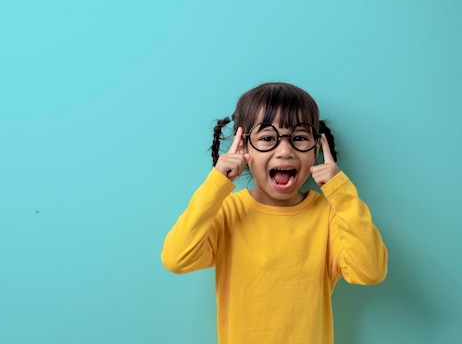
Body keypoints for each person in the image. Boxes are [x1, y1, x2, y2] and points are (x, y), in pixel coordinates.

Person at [161, 82, 388, 344]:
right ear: (243, 148)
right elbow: (176, 259)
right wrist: (216, 183)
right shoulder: (228, 212)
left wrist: (341, 192)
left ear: (315, 149)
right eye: (267, 138)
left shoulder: (329, 215)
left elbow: (370, 271)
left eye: (300, 138)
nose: (285, 151)